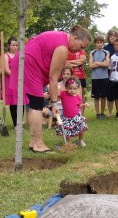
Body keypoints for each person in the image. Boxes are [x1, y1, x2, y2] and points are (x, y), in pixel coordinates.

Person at [10, 25, 91, 153]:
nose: (79, 51)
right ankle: (38, 144)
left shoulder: (61, 37)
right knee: (37, 104)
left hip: (24, 60)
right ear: (75, 38)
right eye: (81, 46)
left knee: (34, 105)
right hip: (29, 64)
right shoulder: (63, 48)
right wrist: (54, 103)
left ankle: (33, 141)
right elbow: (53, 78)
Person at [55, 76, 88, 147]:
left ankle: (80, 140)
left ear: (77, 89)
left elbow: (79, 106)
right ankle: (67, 143)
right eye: (70, 88)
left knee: (81, 127)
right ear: (66, 87)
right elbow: (57, 94)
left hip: (76, 117)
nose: (72, 90)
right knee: (66, 131)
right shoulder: (63, 94)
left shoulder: (78, 97)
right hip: (66, 117)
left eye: (74, 89)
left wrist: (84, 105)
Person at [4, 37, 27, 127]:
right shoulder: (6, 56)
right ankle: (15, 124)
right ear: (9, 46)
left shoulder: (21, 55)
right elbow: (6, 69)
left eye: (17, 45)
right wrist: (16, 77)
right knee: (13, 103)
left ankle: (20, 123)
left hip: (21, 82)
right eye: (13, 45)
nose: (15, 47)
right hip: (11, 81)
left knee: (21, 102)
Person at [89, 35, 110, 119]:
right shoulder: (92, 53)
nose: (99, 44)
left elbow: (107, 64)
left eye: (101, 42)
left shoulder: (106, 52)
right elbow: (91, 65)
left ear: (103, 43)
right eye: (97, 42)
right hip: (95, 78)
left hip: (104, 77)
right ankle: (97, 113)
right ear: (95, 43)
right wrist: (102, 63)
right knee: (96, 96)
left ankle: (102, 113)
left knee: (103, 96)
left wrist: (96, 63)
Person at [65, 50, 87, 115]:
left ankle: (81, 115)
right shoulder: (66, 50)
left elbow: (83, 60)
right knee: (68, 95)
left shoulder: (81, 51)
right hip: (68, 76)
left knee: (80, 96)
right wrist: (77, 62)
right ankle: (70, 113)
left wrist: (69, 63)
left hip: (80, 76)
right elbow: (64, 62)